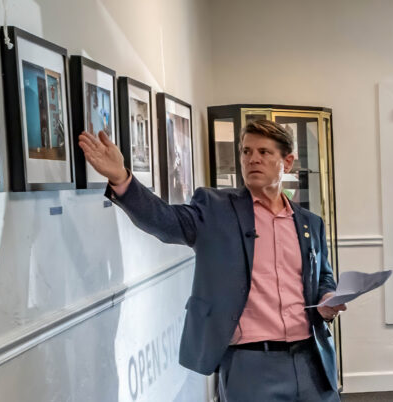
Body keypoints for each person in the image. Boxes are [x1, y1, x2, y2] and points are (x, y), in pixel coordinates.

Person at [78, 120, 346, 401]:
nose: (252, 158)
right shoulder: (216, 208)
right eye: (246, 151)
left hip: (311, 359)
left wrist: (328, 298)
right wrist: (122, 179)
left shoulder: (309, 223)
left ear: (287, 162)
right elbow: (165, 221)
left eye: (264, 152)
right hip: (251, 364)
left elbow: (322, 276)